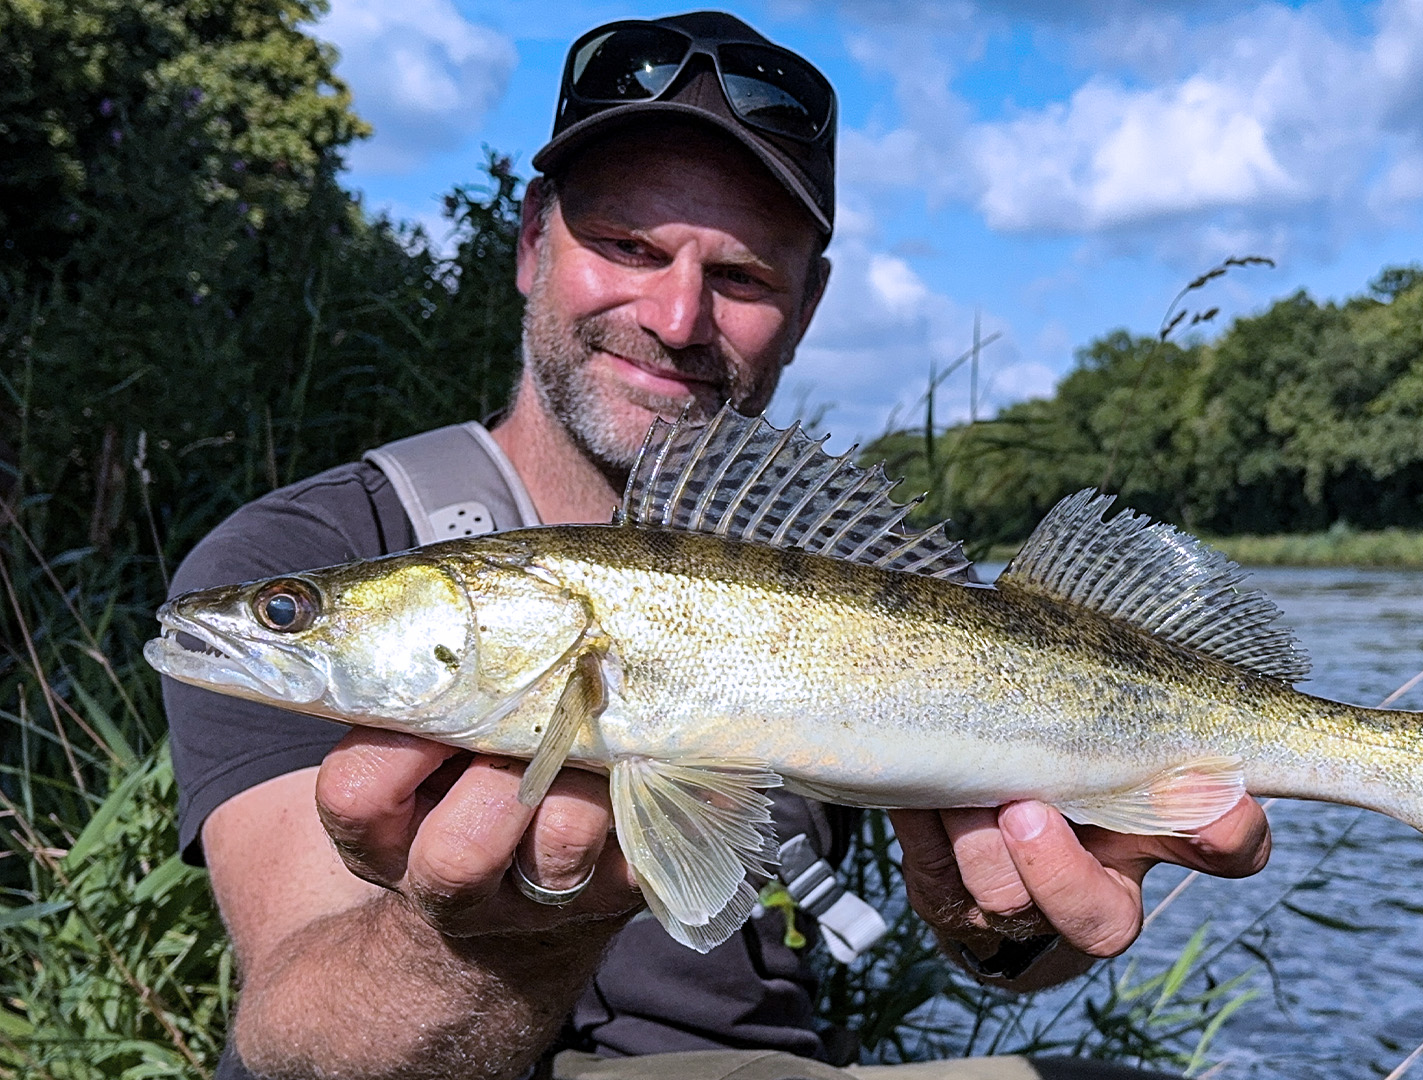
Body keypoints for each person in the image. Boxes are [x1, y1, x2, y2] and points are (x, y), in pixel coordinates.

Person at [162, 12, 1272, 1080]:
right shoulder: (303, 541)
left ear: (810, 301)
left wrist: (1006, 921)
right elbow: (296, 1038)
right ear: (532, 241)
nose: (678, 316)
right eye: (626, 244)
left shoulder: (877, 584)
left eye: (740, 276)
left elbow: (1021, 953)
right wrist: (499, 940)